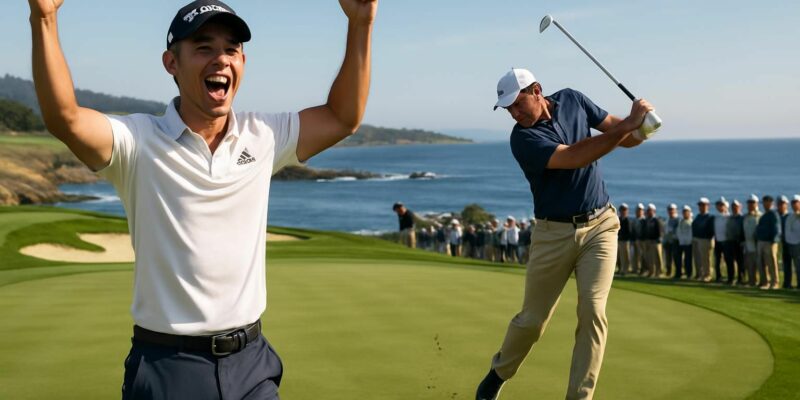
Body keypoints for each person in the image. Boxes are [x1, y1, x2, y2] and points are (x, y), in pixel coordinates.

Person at [28, 0, 378, 397]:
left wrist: (361, 22)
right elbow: (65, 118)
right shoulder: (137, 141)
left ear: (243, 60)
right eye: (204, 48)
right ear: (171, 63)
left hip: (252, 365)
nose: (221, 60)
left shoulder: (264, 134)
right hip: (168, 366)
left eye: (231, 49)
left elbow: (342, 116)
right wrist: (45, 16)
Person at [475, 67, 654, 400]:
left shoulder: (573, 99)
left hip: (601, 226)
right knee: (532, 321)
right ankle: (499, 372)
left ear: (537, 90)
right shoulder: (522, 138)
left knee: (593, 310)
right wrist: (629, 126)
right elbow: (573, 157)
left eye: (517, 103)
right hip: (552, 234)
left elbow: (622, 135)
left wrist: (644, 128)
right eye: (508, 109)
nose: (514, 113)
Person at [756, 195, 782, 289]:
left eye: (768, 202)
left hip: (769, 242)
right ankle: (765, 282)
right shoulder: (765, 215)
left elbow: (777, 229)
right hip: (761, 241)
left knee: (771, 262)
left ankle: (775, 282)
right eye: (765, 202)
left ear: (771, 203)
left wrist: (774, 241)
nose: (766, 203)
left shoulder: (773, 214)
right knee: (761, 263)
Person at [713, 197, 735, 284]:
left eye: (722, 205)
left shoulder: (729, 217)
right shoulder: (716, 217)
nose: (720, 207)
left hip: (727, 241)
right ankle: (718, 277)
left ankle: (731, 278)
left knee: (729, 260)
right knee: (717, 261)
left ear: (726, 206)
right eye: (718, 205)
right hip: (717, 241)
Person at [692, 197, 715, 282]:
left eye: (703, 205)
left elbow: (711, 230)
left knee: (706, 259)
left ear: (708, 206)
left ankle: (707, 275)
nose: (701, 207)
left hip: (706, 240)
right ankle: (701, 274)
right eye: (700, 205)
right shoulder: (698, 216)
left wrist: (709, 238)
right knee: (699, 259)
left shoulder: (710, 217)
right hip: (697, 239)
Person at [742, 195, 762, 287]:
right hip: (748, 244)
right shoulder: (745, 217)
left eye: (753, 203)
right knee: (749, 265)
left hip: (757, 245)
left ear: (756, 204)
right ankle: (751, 281)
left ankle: (763, 281)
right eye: (749, 203)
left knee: (760, 265)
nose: (751, 205)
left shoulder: (760, 216)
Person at [643, 203, 664, 278]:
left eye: (650, 210)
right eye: (648, 210)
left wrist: (659, 239)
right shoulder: (647, 220)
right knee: (650, 258)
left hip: (656, 242)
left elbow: (661, 231)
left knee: (658, 258)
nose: (649, 212)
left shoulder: (657, 220)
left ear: (654, 211)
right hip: (649, 241)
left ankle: (659, 272)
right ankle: (651, 272)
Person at [729, 200, 746, 285]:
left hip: (740, 242)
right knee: (731, 261)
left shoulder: (742, 218)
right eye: (733, 206)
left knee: (741, 261)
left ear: (740, 207)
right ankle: (732, 278)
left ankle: (741, 278)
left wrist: (743, 240)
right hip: (731, 242)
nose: (734, 208)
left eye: (736, 206)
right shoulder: (730, 218)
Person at [777, 196, 793, 288]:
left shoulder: (790, 216)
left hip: (790, 243)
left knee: (791, 263)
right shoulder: (776, 216)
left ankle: (789, 283)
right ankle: (786, 283)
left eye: (783, 204)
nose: (781, 206)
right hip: (780, 243)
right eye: (780, 204)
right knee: (785, 264)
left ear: (786, 205)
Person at [675, 205, 694, 280]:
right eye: (684, 212)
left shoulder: (691, 222)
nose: (685, 213)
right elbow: (679, 231)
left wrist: (689, 241)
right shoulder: (681, 221)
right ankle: (679, 273)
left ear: (689, 212)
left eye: (686, 212)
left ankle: (689, 273)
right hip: (681, 242)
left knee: (688, 259)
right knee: (679, 259)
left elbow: (691, 233)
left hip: (689, 243)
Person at [786, 195, 800, 289]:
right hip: (793, 245)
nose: (795, 204)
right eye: (793, 203)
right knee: (797, 266)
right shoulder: (790, 217)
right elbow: (788, 232)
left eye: (796, 202)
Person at [616, 203, 634, 276]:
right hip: (619, 240)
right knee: (620, 256)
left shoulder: (628, 220)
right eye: (622, 210)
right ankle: (621, 269)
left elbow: (629, 232)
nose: (623, 211)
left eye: (624, 210)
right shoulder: (619, 219)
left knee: (626, 256)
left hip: (626, 241)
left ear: (627, 211)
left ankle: (625, 270)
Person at [663, 204, 679, 278]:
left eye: (672, 209)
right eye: (669, 210)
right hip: (667, 241)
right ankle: (668, 272)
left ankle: (677, 273)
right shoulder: (668, 219)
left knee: (676, 258)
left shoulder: (677, 219)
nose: (671, 211)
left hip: (675, 241)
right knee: (668, 258)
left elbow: (676, 231)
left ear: (675, 210)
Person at [632, 203, 647, 275]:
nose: (639, 211)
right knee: (636, 256)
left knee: (643, 256)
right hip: (636, 240)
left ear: (643, 211)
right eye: (638, 210)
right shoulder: (635, 220)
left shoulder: (644, 220)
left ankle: (643, 269)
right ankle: (637, 269)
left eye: (640, 210)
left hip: (642, 241)